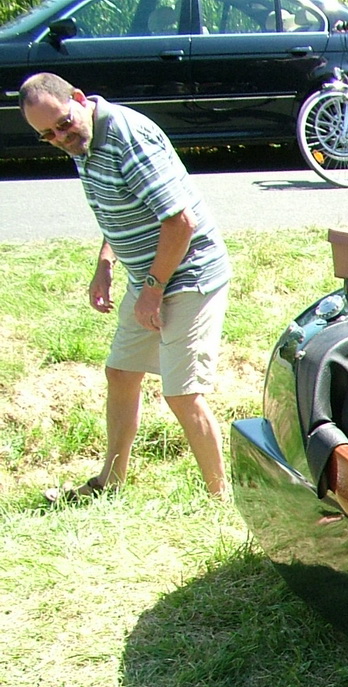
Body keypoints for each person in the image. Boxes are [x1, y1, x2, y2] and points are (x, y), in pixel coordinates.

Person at [20, 73, 230, 502]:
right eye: (48, 135)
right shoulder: (83, 141)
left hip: (189, 274)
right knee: (120, 372)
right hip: (148, 276)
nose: (60, 137)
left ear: (79, 98)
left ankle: (220, 497)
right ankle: (109, 482)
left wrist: (153, 289)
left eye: (63, 124)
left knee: (182, 393)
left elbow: (180, 221)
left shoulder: (125, 136)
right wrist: (105, 262)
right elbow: (118, 208)